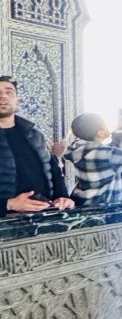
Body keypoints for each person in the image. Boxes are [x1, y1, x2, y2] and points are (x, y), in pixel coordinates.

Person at [0, 75, 72, 215]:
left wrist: (62, 197)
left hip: (44, 219)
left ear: (18, 102)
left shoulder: (35, 135)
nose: (3, 96)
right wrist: (9, 204)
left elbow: (54, 170)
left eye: (9, 92)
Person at [60, 110, 122, 207]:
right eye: (105, 124)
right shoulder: (105, 155)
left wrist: (120, 127)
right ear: (100, 133)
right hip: (102, 210)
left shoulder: (80, 149)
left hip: (85, 204)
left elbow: (111, 152)